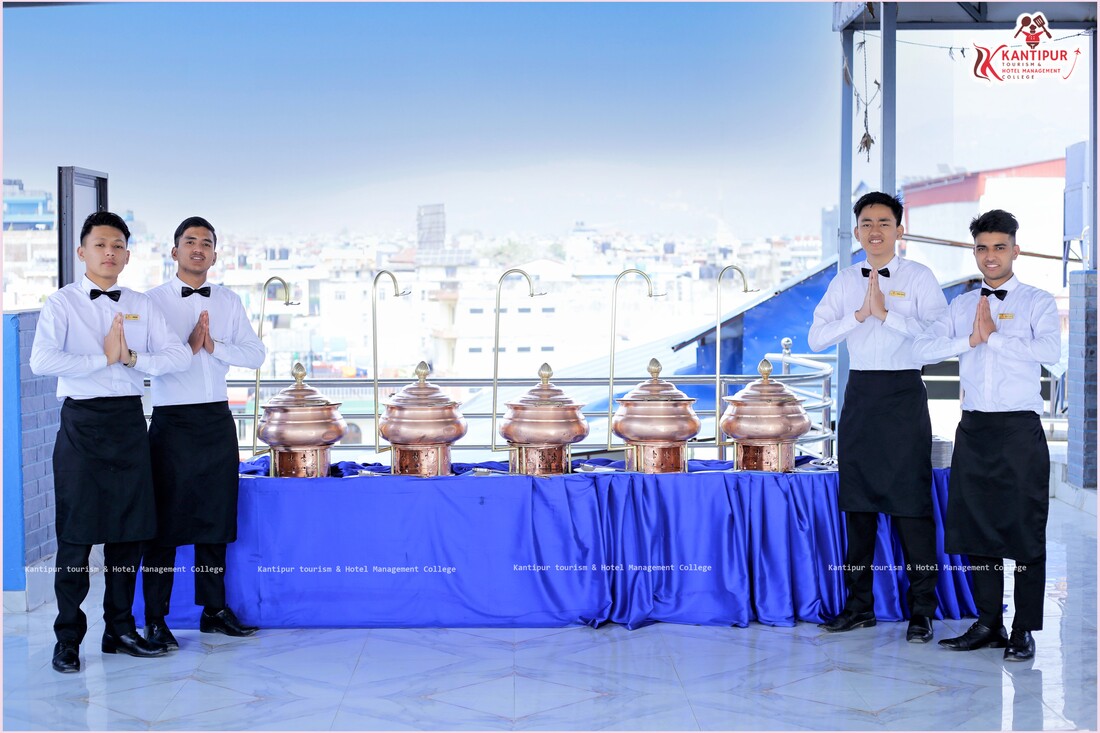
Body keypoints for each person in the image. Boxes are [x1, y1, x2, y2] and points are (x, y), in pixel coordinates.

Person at [30, 211, 191, 673]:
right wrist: (103, 359)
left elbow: (179, 355)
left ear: (127, 255)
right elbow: (42, 360)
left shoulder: (141, 303)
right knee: (76, 539)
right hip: (81, 424)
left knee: (129, 535)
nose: (109, 252)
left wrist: (133, 357)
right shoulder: (61, 303)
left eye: (118, 245)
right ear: (82, 252)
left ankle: (119, 630)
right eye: (100, 244)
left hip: (128, 424)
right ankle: (67, 639)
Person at [913, 209, 1060, 661]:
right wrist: (970, 341)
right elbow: (923, 348)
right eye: (982, 248)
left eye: (999, 247)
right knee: (977, 529)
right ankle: (988, 623)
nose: (990, 256)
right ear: (974, 251)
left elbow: (1051, 353)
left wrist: (994, 337)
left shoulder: (1037, 301)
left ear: (1015, 250)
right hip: (974, 428)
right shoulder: (960, 306)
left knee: (1026, 530)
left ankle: (1024, 629)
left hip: (1019, 429)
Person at [808, 191, 948, 643]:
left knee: (913, 510)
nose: (875, 231)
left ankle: (922, 611)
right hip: (861, 395)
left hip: (905, 395)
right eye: (867, 223)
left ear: (899, 230)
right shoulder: (844, 281)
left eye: (884, 222)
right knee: (858, 508)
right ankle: (858, 607)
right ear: (856, 231)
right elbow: (816, 338)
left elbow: (940, 338)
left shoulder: (920, 277)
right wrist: (859, 314)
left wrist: (887, 316)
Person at [140, 216, 266, 648]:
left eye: (206, 243)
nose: (198, 248)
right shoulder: (151, 302)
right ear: (174, 250)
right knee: (163, 528)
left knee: (216, 521)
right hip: (171, 421)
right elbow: (142, 360)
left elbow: (256, 354)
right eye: (190, 241)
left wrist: (214, 346)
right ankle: (155, 618)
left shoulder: (228, 300)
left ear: (214, 254)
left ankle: (214, 610)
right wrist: (187, 348)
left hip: (216, 419)